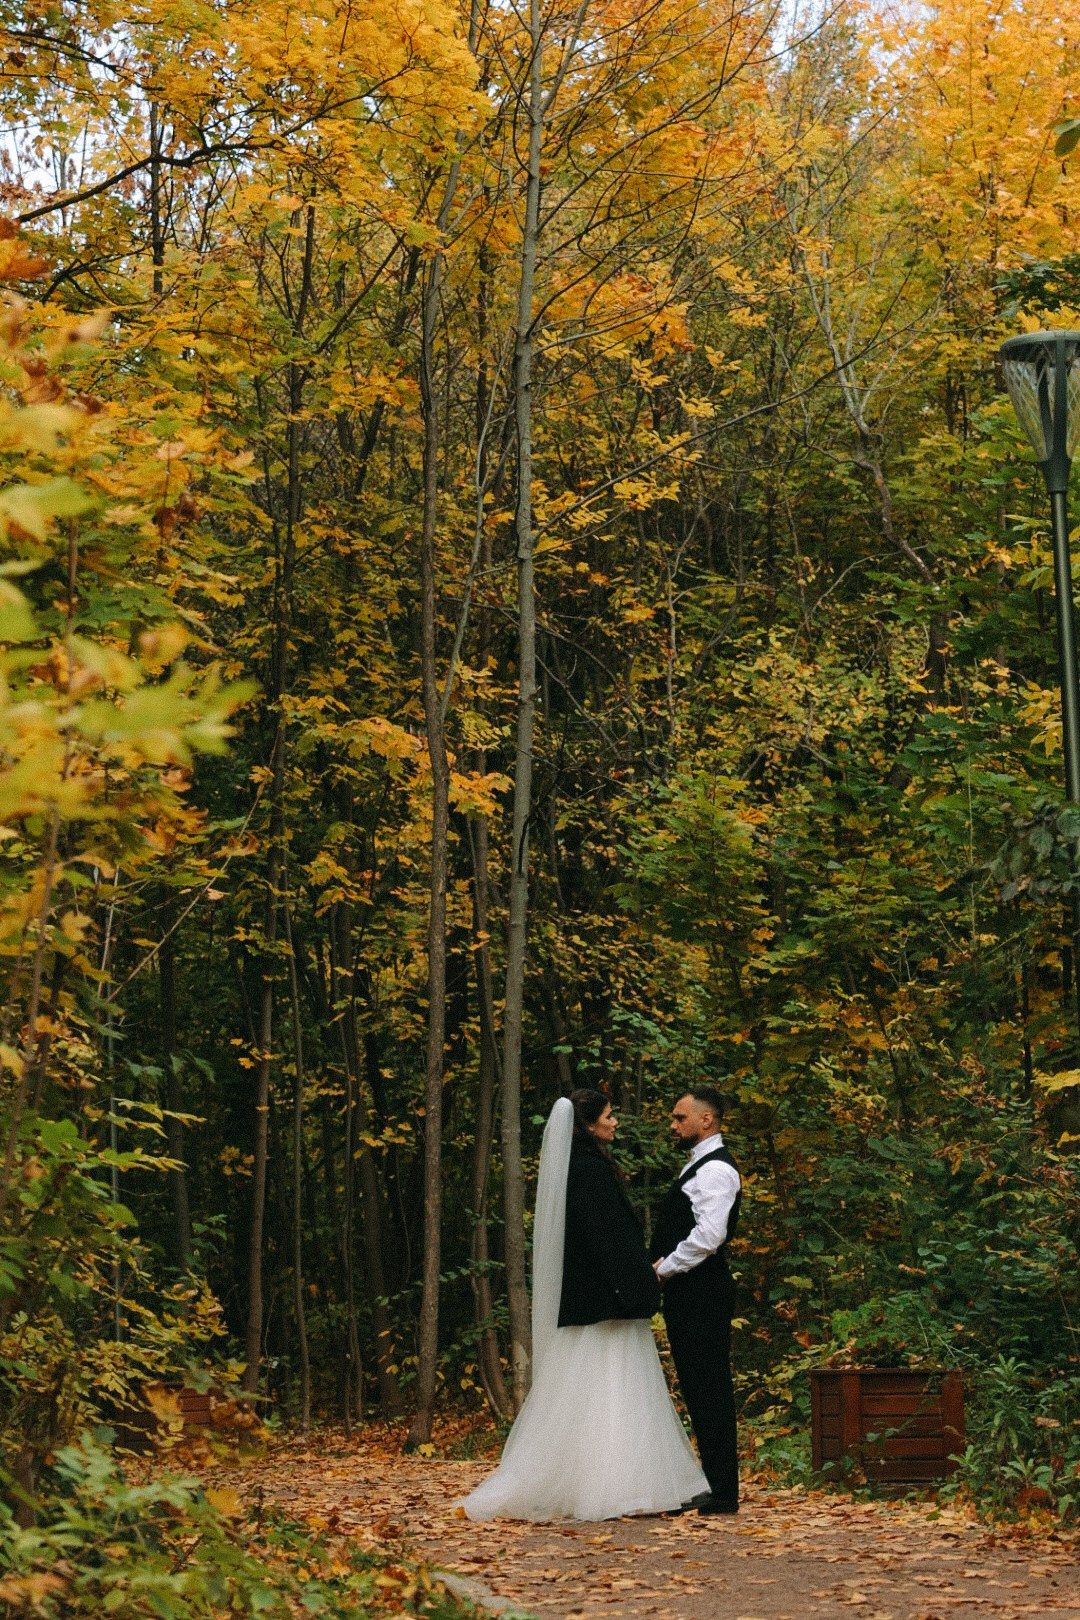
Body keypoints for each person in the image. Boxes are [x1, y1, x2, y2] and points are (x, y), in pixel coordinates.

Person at [462, 1089, 708, 1521]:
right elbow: (608, 1240)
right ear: (588, 1124)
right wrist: (639, 1281)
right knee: (611, 1386)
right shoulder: (590, 1172)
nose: (615, 1123)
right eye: (609, 1116)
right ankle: (615, 1486)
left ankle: (599, 1482)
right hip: (605, 1300)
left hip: (594, 1300)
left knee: (598, 1388)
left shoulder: (577, 1171)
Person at [650, 1085, 742, 1515]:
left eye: (679, 1117)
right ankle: (714, 1483)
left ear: (706, 1120)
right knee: (699, 1387)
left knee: (710, 1387)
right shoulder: (699, 1166)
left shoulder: (716, 1171)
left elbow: (709, 1235)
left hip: (702, 1292)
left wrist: (664, 1267)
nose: (673, 1124)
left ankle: (723, 1490)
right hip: (693, 1292)